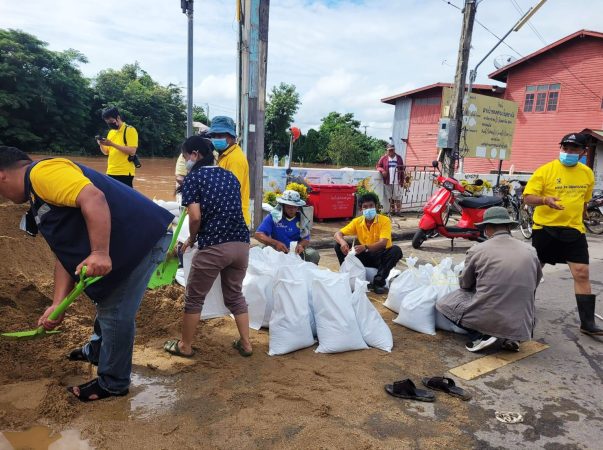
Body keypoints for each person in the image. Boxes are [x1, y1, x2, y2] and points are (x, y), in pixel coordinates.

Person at [0, 146, 173, 401]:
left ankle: (113, 383)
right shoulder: (38, 196)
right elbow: (64, 255)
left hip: (141, 239)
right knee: (105, 298)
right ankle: (96, 350)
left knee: (116, 310)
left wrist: (100, 252)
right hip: (125, 242)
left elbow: (93, 198)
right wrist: (57, 304)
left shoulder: (42, 172)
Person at [164, 136, 252, 358]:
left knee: (194, 297)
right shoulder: (230, 176)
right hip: (241, 244)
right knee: (234, 295)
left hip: (215, 245)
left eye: (185, 157)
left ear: (195, 155)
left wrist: (192, 239)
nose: (185, 162)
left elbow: (195, 217)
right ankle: (246, 343)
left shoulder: (194, 179)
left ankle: (184, 345)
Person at [523, 132, 602, 336]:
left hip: (574, 230)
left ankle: (587, 323)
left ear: (583, 151)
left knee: (582, 273)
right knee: (533, 273)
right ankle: (521, 311)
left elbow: (584, 199)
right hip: (545, 229)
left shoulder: (587, 173)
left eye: (574, 149)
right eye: (565, 148)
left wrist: (583, 212)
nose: (568, 152)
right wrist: (544, 200)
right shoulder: (545, 170)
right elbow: (527, 197)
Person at [436, 207, 542, 352]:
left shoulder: (478, 250)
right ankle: (511, 337)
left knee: (444, 303)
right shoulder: (531, 251)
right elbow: (535, 282)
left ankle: (482, 335)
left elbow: (465, 284)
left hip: (490, 317)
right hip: (523, 323)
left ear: (488, 228)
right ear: (508, 227)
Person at [334, 192, 403, 294]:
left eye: (371, 206)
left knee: (396, 250)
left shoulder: (385, 220)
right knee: (338, 245)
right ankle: (348, 276)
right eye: (365, 207)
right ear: (361, 209)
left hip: (380, 256)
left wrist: (365, 247)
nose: (368, 209)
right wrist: (343, 242)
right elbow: (337, 234)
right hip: (364, 255)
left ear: (376, 207)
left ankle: (378, 283)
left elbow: (383, 243)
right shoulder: (357, 221)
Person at [255, 190, 320, 264]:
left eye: (294, 207)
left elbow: (306, 238)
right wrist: (275, 243)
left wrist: (300, 245)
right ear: (283, 205)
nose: (292, 210)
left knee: (313, 255)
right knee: (260, 251)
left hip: (295, 252)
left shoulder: (303, 219)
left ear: (298, 207)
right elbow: (258, 235)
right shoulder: (273, 216)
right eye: (289, 207)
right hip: (276, 250)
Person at [207, 116, 250, 226]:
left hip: (234, 220)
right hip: (227, 216)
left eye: (220, 135)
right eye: (214, 135)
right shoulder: (224, 156)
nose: (216, 138)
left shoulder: (234, 159)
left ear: (232, 137)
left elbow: (230, 193)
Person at [97, 106, 139, 187]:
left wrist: (112, 144)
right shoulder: (111, 132)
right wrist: (101, 144)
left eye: (111, 121)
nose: (110, 124)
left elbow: (132, 151)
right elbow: (106, 152)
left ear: (118, 117)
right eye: (107, 122)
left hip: (124, 172)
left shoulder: (129, 130)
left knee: (125, 198)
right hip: (111, 171)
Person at [376, 144, 405, 215]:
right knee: (390, 197)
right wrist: (382, 170)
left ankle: (398, 211)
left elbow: (402, 169)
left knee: (398, 197)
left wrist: (402, 180)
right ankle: (392, 211)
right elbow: (378, 166)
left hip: (397, 181)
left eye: (392, 150)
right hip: (388, 181)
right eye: (389, 150)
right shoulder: (384, 158)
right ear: (387, 150)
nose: (391, 151)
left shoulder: (399, 158)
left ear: (394, 150)